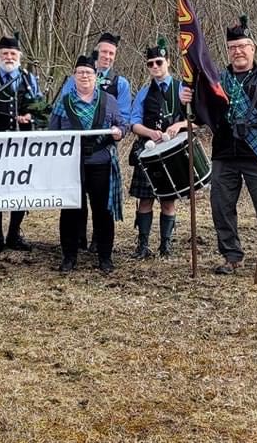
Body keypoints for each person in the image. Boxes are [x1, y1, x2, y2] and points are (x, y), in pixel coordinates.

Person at [180, 16, 257, 280]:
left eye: (243, 46)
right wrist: (187, 101)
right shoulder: (217, 81)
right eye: (233, 47)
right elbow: (201, 117)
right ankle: (231, 257)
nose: (238, 51)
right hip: (224, 152)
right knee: (221, 207)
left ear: (252, 48)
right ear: (228, 51)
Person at [49, 54, 126, 274]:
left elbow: (121, 124)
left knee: (102, 211)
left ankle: (105, 257)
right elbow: (52, 132)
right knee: (71, 211)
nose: (85, 76)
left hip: (100, 162)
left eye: (89, 73)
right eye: (80, 72)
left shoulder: (108, 101)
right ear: (74, 76)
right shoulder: (63, 103)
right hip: (71, 165)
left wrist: (119, 132)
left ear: (96, 76)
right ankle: (69, 257)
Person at [60, 32, 132, 251]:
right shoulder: (74, 82)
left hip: (102, 152)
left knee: (101, 206)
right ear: (96, 52)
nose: (108, 57)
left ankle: (100, 246)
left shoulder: (119, 85)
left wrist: (119, 132)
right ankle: (75, 245)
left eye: (112, 53)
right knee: (74, 206)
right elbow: (60, 112)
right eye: (104, 52)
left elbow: (124, 119)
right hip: (74, 156)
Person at [0, 34, 42, 254]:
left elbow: (40, 109)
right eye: (5, 54)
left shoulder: (28, 78)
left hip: (21, 144)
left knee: (20, 188)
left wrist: (29, 116)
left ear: (19, 56)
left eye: (13, 54)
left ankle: (14, 234)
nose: (9, 57)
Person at [127, 38, 188, 258]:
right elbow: (133, 123)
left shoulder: (182, 88)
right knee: (145, 200)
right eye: (150, 63)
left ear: (168, 62)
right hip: (148, 151)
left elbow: (196, 120)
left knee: (168, 200)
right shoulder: (144, 93)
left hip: (172, 153)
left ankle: (166, 245)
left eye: (159, 62)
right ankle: (142, 245)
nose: (155, 67)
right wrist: (149, 133)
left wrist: (179, 125)